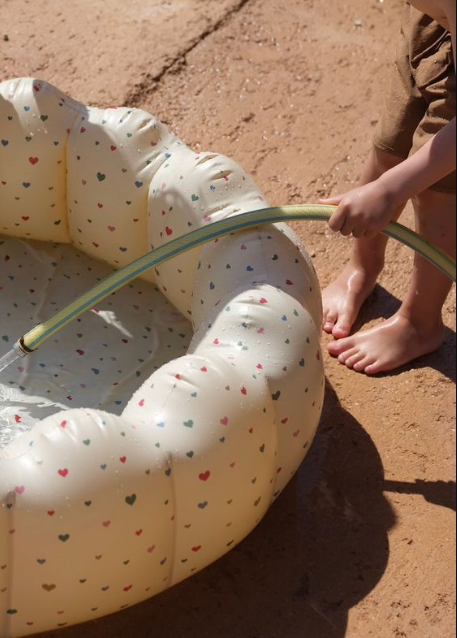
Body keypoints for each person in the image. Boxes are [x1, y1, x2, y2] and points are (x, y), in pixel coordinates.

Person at [321, 0, 456, 375]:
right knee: (390, 146)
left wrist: (391, 191)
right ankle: (362, 268)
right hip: (431, 28)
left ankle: (420, 323)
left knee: (439, 188)